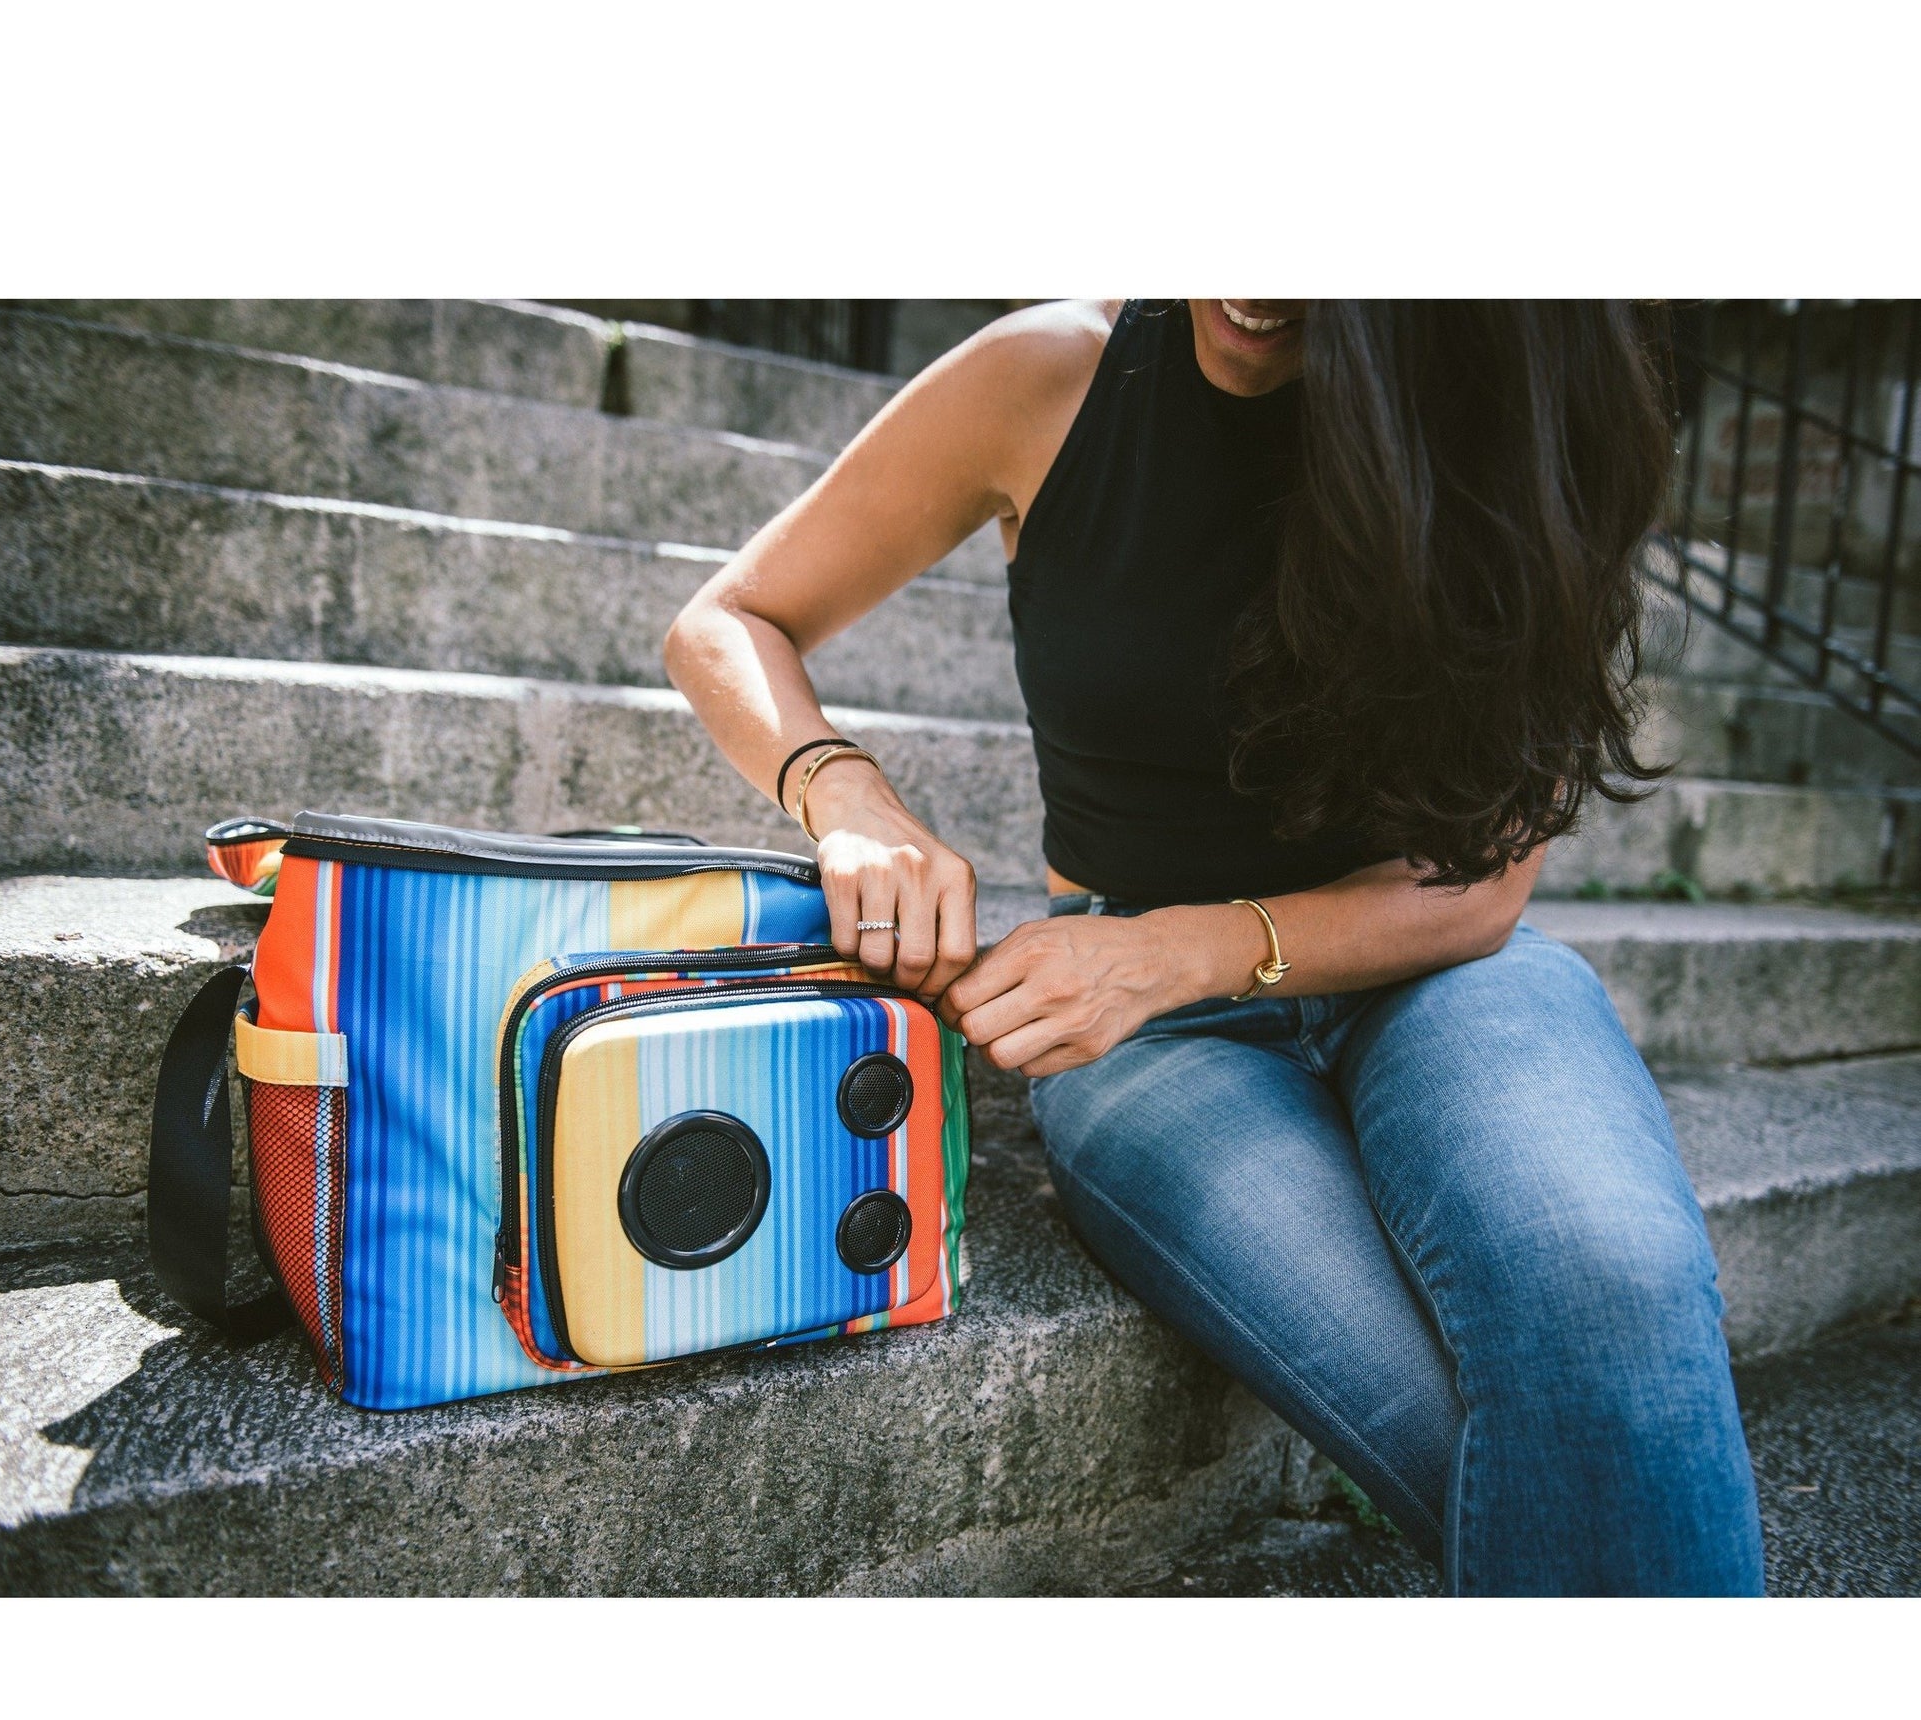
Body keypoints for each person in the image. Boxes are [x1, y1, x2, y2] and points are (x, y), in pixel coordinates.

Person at [663, 298, 1765, 1597]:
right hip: (1140, 1026)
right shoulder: (1049, 374)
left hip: (1437, 966)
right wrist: (846, 797)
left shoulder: (1509, 429)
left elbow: (1477, 894)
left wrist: (1186, 947)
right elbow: (727, 619)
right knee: (1461, 1409)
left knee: (1604, 1289)